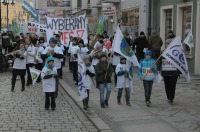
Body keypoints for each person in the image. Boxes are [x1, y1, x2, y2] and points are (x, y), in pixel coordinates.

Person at [161, 30, 179, 104]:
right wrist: (159, 70)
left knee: (172, 85)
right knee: (167, 85)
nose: (167, 45)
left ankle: (171, 97)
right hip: (165, 72)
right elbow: (160, 62)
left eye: (168, 44)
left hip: (174, 73)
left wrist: (179, 72)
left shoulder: (176, 53)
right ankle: (168, 96)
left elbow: (179, 63)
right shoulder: (163, 53)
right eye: (166, 44)